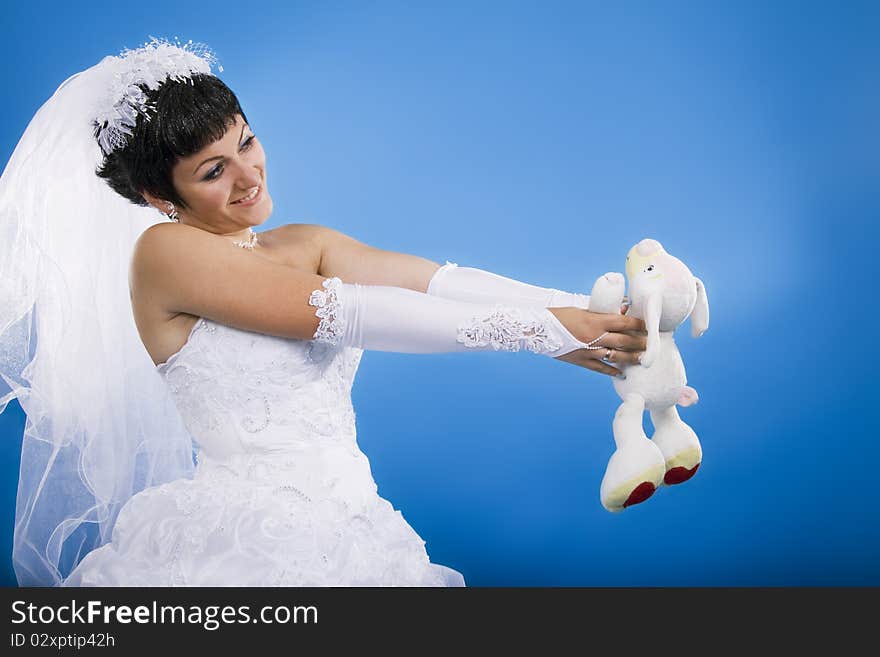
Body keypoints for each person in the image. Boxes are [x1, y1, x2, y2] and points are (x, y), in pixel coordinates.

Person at [0, 38, 646, 587]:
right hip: (241, 541)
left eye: (247, 142)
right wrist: (546, 334)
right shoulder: (166, 254)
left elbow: (438, 284)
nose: (248, 175)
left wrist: (581, 312)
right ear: (157, 194)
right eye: (213, 171)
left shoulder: (302, 242)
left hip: (356, 524)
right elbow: (350, 315)